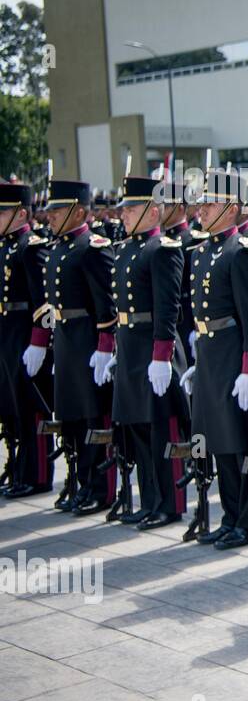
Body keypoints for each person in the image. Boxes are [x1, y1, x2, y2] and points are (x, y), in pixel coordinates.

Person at [185, 167, 248, 550]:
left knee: (242, 442)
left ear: (233, 207)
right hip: (210, 357)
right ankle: (230, 516)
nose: (201, 209)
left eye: (210, 202)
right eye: (201, 202)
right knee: (220, 442)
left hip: (235, 358)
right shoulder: (202, 251)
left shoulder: (241, 252)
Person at [110, 174, 188, 530]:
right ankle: (149, 499)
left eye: (132, 209)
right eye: (124, 209)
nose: (124, 215)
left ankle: (169, 502)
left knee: (161, 430)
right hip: (130, 346)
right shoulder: (127, 248)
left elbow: (168, 307)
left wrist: (162, 355)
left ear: (153, 212)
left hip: (154, 349)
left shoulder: (163, 250)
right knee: (139, 430)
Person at [37, 178, 116, 514]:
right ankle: (79, 481)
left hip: (87, 339)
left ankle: (99, 486)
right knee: (70, 417)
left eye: (57, 210)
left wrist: (104, 347)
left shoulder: (92, 247)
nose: (50, 216)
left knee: (91, 416)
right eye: (50, 210)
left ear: (79, 211)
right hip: (67, 341)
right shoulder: (57, 248)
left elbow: (107, 304)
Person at [0, 182, 54, 497]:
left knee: (29, 405)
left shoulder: (31, 247)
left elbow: (44, 300)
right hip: (6, 332)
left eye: (3, 211)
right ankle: (17, 466)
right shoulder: (5, 245)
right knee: (9, 405)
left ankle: (37, 474)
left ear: (21, 213)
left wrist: (39, 341)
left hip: (23, 332)